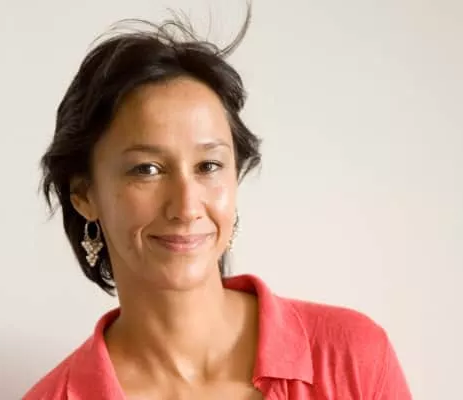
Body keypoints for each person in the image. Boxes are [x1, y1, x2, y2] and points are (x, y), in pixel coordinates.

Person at [23, 9, 412, 400]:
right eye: (147, 169)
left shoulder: (352, 358)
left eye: (208, 166)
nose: (187, 207)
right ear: (83, 194)